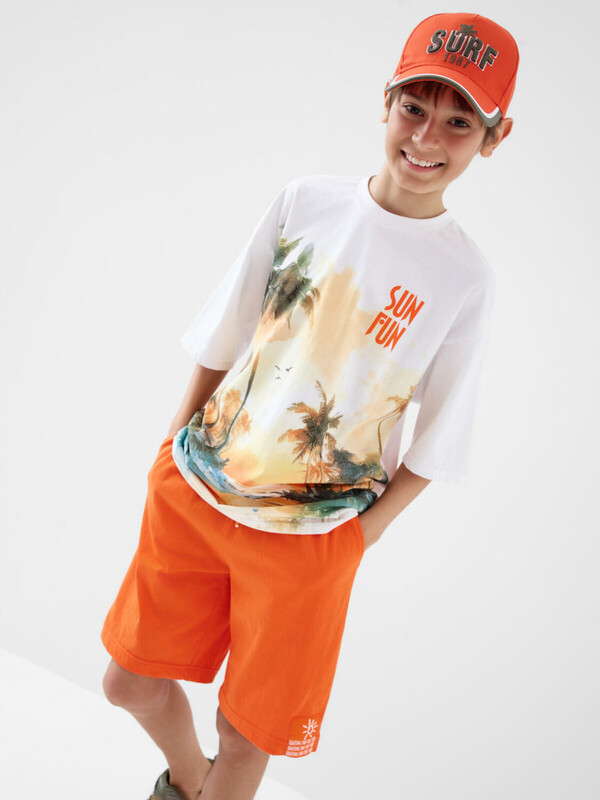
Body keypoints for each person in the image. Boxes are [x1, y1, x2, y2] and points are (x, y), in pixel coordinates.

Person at [100, 12, 520, 800]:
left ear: (494, 139)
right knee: (128, 681)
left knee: (246, 734)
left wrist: (357, 540)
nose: (427, 137)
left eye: (460, 122)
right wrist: (170, 447)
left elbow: (440, 438)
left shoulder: (464, 278)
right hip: (197, 487)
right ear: (386, 100)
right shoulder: (307, 202)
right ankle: (187, 784)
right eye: (415, 107)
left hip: (313, 537)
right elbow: (226, 329)